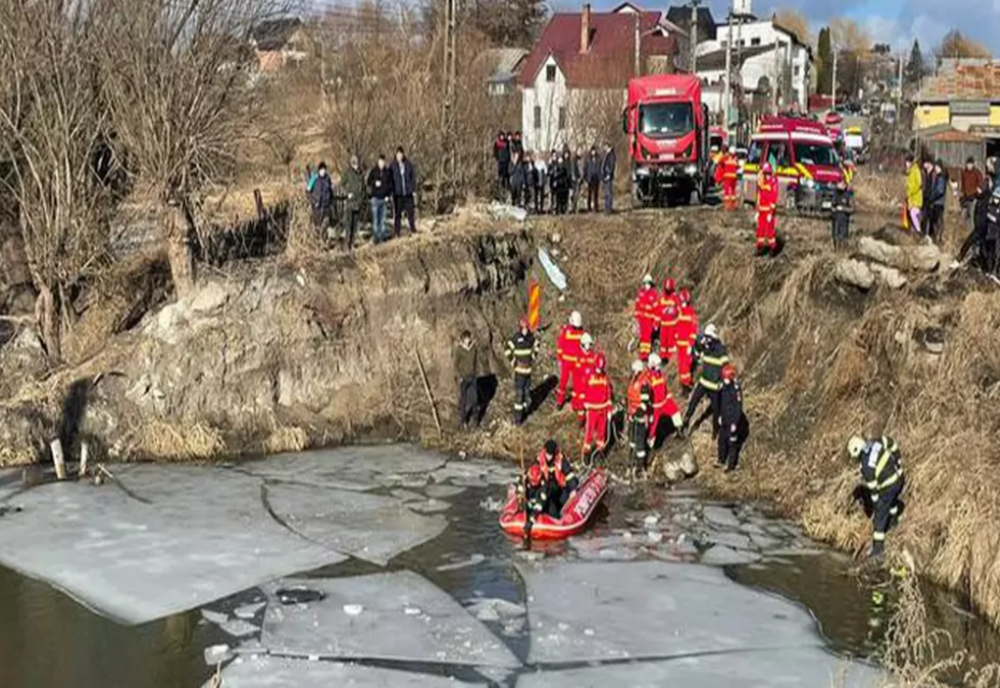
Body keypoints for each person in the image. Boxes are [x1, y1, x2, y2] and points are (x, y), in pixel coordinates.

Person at [847, 435, 905, 559]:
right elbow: (890, 442)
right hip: (899, 478)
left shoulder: (866, 467)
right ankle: (894, 524)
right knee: (892, 500)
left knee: (879, 519)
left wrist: (876, 506)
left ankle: (878, 552)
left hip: (889, 484)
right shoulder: (875, 442)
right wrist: (898, 459)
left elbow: (874, 491)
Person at [683, 323, 730, 437]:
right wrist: (694, 352)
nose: (706, 340)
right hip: (704, 382)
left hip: (714, 386)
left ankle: (715, 433)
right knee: (693, 402)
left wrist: (725, 383)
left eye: (708, 337)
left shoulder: (720, 350)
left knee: (716, 410)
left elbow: (726, 367)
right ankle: (686, 421)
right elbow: (698, 356)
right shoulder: (707, 347)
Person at [505, 317, 538, 425]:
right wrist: (513, 362)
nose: (524, 330)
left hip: (528, 372)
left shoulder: (530, 337)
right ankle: (518, 420)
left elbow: (537, 344)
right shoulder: (515, 338)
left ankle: (525, 412)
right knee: (519, 395)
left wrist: (533, 357)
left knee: (527, 395)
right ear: (520, 328)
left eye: (526, 328)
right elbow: (506, 349)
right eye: (522, 328)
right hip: (519, 373)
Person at [718, 364, 749, 473]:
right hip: (724, 419)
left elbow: (738, 408)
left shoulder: (735, 390)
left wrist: (734, 423)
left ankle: (731, 466)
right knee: (721, 440)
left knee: (732, 444)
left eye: (725, 378)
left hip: (732, 421)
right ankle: (721, 460)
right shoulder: (723, 387)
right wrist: (720, 416)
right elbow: (722, 403)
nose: (724, 380)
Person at [582, 353, 613, 460]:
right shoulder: (589, 375)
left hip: (603, 409)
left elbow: (608, 394)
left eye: (601, 368)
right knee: (589, 432)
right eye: (598, 368)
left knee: (601, 432)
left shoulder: (605, 377)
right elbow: (583, 390)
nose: (599, 371)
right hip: (592, 409)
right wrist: (584, 403)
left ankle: (600, 453)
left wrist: (609, 410)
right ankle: (586, 454)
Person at [647, 353, 683, 446]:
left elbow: (664, 388)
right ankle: (650, 445)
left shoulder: (659, 374)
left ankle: (679, 431)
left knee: (675, 412)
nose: (659, 367)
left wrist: (668, 397)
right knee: (653, 427)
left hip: (664, 402)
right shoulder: (648, 377)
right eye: (657, 365)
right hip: (655, 406)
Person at [625, 359, 653, 478]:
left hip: (640, 417)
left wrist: (637, 413)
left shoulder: (644, 383)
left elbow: (644, 403)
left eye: (635, 370)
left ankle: (640, 469)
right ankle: (630, 466)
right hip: (632, 416)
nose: (634, 372)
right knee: (631, 442)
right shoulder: (635, 379)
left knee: (640, 445)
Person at [538, 439, 578, 517]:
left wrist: (573, 489)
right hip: (547, 489)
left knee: (563, 501)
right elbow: (533, 473)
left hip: (560, 488)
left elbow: (570, 476)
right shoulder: (539, 460)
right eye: (547, 454)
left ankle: (558, 515)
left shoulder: (561, 461)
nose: (549, 457)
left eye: (551, 455)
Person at [555, 311, 585, 409]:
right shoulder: (579, 333)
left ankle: (566, 403)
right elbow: (561, 345)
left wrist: (560, 358)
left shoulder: (568, 331)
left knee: (569, 383)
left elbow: (561, 345)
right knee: (569, 383)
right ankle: (567, 402)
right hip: (572, 362)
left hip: (570, 362)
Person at [452, 330, 480, 429]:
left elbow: (476, 361)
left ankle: (476, 420)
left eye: (469, 338)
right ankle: (463, 421)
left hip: (472, 377)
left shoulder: (474, 348)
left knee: (474, 399)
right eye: (466, 338)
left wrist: (476, 373)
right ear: (463, 339)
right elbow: (455, 365)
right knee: (463, 400)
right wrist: (459, 377)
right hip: (463, 378)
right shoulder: (459, 350)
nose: (468, 340)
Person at [674, 288, 699, 389]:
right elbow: (677, 326)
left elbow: (693, 331)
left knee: (686, 365)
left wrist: (690, 344)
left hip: (686, 344)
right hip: (679, 344)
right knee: (681, 365)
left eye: (683, 301)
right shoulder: (680, 312)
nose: (682, 303)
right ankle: (682, 383)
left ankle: (687, 384)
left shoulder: (691, 313)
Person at [341, 155, 365, 253]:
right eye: (353, 161)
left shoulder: (361, 174)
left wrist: (362, 197)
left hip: (358, 202)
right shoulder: (347, 173)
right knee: (348, 225)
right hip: (350, 202)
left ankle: (352, 244)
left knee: (355, 225)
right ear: (351, 162)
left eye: (356, 161)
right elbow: (342, 184)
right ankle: (346, 245)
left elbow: (363, 187)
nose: (355, 163)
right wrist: (347, 193)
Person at [572, 333, 598, 425]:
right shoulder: (578, 356)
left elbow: (595, 368)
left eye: (589, 345)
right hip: (580, 384)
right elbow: (577, 371)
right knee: (580, 402)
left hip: (590, 383)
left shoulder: (593, 356)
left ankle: (589, 418)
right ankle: (581, 419)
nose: (587, 348)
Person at [391, 147, 417, 237]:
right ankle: (397, 232)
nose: (399, 156)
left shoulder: (408, 164)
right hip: (398, 194)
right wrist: (391, 191)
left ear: (403, 154)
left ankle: (413, 229)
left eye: (401, 154)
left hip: (408, 193)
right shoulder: (393, 165)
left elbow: (413, 177)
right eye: (398, 154)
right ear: (396, 155)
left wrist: (413, 189)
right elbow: (390, 179)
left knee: (410, 213)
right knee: (397, 214)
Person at [367, 154, 393, 243]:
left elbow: (390, 185)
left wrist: (388, 196)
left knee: (383, 220)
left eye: (383, 162)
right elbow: (368, 182)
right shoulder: (374, 171)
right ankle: (375, 237)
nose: (381, 163)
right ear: (378, 162)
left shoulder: (387, 172)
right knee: (375, 219)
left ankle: (381, 237)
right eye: (380, 162)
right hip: (375, 198)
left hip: (384, 199)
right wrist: (374, 183)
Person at [633, 274, 660, 361]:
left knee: (647, 338)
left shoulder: (654, 295)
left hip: (649, 321)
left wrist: (656, 322)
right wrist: (636, 319)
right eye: (645, 283)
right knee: (642, 338)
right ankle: (642, 354)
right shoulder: (641, 294)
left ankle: (646, 355)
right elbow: (637, 307)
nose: (646, 285)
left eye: (648, 283)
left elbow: (657, 310)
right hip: (642, 320)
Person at [755, 162, 778, 256]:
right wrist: (757, 211)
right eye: (765, 173)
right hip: (761, 210)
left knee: (769, 231)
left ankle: (773, 249)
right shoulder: (761, 181)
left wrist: (771, 212)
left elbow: (774, 197)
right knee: (760, 230)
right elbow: (759, 196)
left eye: (768, 173)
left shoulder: (773, 182)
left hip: (768, 211)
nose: (767, 175)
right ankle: (760, 248)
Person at [658, 277, 679, 362]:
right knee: (663, 343)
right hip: (663, 324)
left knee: (671, 343)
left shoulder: (675, 298)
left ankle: (670, 358)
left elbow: (678, 310)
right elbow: (658, 309)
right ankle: (663, 357)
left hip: (672, 324)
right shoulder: (662, 298)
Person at [309, 161, 334, 230]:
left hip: (326, 205)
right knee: (317, 225)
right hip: (317, 206)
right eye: (321, 170)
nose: (323, 171)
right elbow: (308, 192)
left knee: (325, 224)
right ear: (319, 170)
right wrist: (313, 201)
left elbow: (331, 190)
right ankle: (317, 238)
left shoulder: (328, 179)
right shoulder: (314, 178)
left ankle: (323, 238)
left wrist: (331, 200)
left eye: (324, 170)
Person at [960, 156, 984, 230]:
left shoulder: (977, 173)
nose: (968, 166)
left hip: (973, 197)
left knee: (971, 215)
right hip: (965, 197)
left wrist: (977, 191)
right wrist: (961, 193)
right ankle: (963, 232)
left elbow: (981, 183)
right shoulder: (964, 172)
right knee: (963, 216)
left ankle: (971, 232)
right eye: (967, 164)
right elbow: (963, 184)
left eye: (970, 164)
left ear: (973, 164)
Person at [928, 160, 947, 244]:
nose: (935, 168)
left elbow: (940, 191)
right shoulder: (938, 177)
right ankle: (936, 237)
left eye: (936, 167)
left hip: (938, 202)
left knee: (937, 221)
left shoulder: (940, 177)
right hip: (937, 202)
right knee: (935, 221)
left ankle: (937, 238)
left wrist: (932, 198)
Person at [904, 154, 923, 234]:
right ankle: (912, 230)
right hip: (910, 198)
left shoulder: (916, 170)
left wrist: (910, 192)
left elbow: (918, 184)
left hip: (916, 197)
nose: (906, 164)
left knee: (913, 213)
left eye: (907, 162)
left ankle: (919, 230)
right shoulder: (908, 172)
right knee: (909, 214)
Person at [831, 180, 852, 250]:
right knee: (835, 235)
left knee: (843, 236)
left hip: (844, 219)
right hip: (836, 218)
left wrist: (843, 208)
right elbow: (832, 204)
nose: (839, 185)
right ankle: (836, 249)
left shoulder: (848, 195)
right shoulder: (835, 194)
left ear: (845, 185)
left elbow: (852, 209)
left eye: (841, 184)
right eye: (838, 184)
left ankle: (843, 250)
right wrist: (833, 209)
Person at [721, 145, 740, 210]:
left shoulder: (725, 158)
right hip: (734, 177)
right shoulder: (736, 159)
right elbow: (738, 166)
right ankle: (732, 205)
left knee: (726, 192)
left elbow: (721, 162)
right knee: (733, 192)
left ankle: (727, 206)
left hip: (727, 177)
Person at [494, 131, 511, 198]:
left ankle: (506, 190)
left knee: (506, 176)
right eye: (501, 136)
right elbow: (495, 151)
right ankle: (501, 189)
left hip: (506, 161)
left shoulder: (507, 142)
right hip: (500, 161)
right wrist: (497, 157)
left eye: (503, 136)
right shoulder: (497, 143)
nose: (502, 137)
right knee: (501, 176)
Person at [601, 142, 616, 214]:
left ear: (608, 147)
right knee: (606, 193)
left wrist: (609, 174)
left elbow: (612, 165)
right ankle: (606, 207)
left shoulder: (611, 155)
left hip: (608, 176)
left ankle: (609, 209)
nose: (604, 148)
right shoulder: (606, 154)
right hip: (605, 176)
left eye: (605, 147)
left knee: (608, 193)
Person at [585, 147, 601, 212]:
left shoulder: (598, 159)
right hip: (590, 178)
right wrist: (586, 177)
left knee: (596, 194)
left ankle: (596, 207)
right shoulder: (588, 159)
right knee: (589, 194)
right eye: (592, 151)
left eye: (594, 151)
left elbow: (599, 168)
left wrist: (600, 177)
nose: (593, 152)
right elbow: (586, 169)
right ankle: (589, 207)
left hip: (596, 178)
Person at [571, 147, 585, 213]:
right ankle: (574, 208)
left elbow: (583, 169)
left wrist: (582, 178)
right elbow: (574, 169)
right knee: (575, 194)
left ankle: (578, 208)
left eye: (581, 150)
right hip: (576, 179)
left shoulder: (583, 159)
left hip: (581, 179)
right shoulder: (574, 160)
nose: (580, 152)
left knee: (579, 194)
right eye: (579, 150)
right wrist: (577, 177)